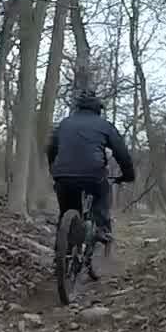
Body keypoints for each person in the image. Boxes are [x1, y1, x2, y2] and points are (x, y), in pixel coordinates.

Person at [46, 89, 136, 242]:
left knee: (67, 210)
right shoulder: (105, 125)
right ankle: (102, 229)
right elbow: (121, 153)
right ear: (98, 109)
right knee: (102, 193)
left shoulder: (64, 124)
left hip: (63, 175)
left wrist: (54, 169)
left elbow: (51, 149)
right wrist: (128, 175)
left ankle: (62, 248)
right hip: (93, 174)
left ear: (77, 108)